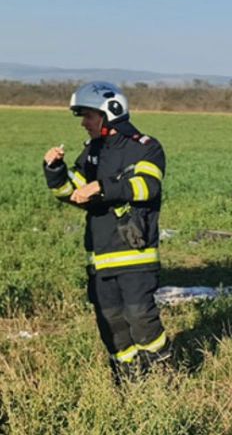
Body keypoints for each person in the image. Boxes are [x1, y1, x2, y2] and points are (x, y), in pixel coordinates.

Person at [43, 81, 170, 384]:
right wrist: (56, 170)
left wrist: (103, 186)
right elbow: (74, 193)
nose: (84, 124)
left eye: (88, 116)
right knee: (111, 326)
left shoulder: (146, 147)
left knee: (141, 321)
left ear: (110, 112)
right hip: (100, 257)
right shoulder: (91, 152)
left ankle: (163, 382)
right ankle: (128, 386)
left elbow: (147, 187)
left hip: (134, 255)